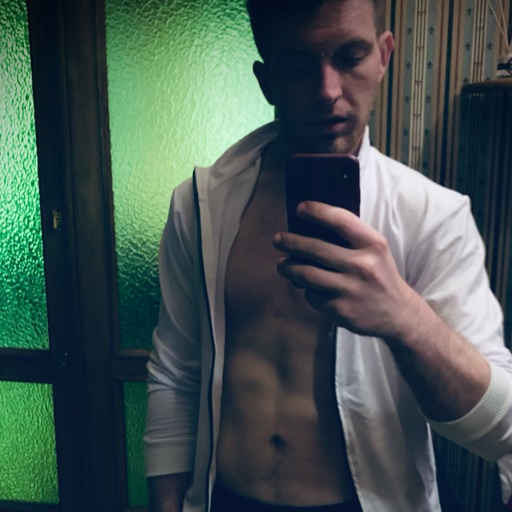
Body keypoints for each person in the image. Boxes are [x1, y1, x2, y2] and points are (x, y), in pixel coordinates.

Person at [144, 0, 512, 511]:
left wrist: (405, 319)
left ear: (383, 56)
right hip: (225, 499)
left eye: (349, 56)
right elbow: (176, 373)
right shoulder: (200, 206)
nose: (327, 91)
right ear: (267, 81)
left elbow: (500, 429)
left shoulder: (433, 217)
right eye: (298, 66)